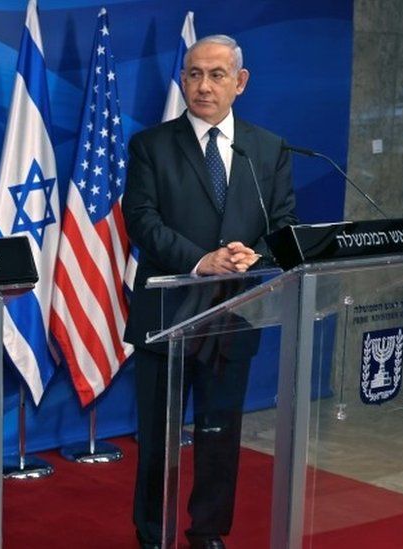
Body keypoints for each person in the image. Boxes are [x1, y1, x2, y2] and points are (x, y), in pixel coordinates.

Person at [122, 35, 297, 549]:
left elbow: (284, 222)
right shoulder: (151, 145)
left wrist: (255, 256)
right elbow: (141, 221)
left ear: (240, 83)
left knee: (220, 435)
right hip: (167, 315)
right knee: (158, 437)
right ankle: (153, 533)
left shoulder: (268, 148)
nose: (204, 85)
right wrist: (201, 261)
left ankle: (208, 532)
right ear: (183, 79)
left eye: (217, 75)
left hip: (233, 313)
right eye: (194, 73)